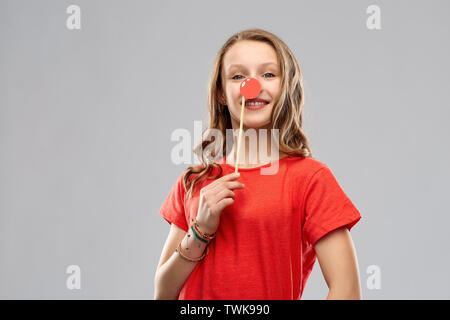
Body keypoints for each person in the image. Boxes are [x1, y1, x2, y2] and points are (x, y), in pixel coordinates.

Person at [154, 28, 362, 300]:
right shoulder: (195, 181)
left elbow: (347, 291)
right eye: (238, 76)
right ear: (221, 92)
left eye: (268, 74)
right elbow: (163, 293)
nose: (252, 85)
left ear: (284, 87)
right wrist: (200, 231)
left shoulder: (311, 178)